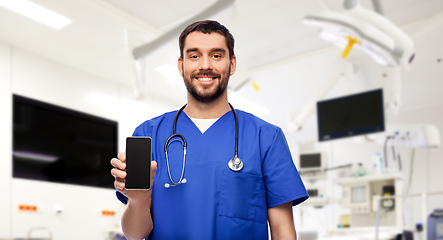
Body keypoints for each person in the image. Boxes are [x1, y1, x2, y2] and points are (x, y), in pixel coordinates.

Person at [110, 20, 308, 240]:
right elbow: (134, 235)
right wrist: (138, 199)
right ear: (181, 65)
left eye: (216, 55)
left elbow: (283, 230)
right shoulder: (149, 133)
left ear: (232, 64)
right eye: (194, 56)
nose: (205, 65)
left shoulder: (266, 138)